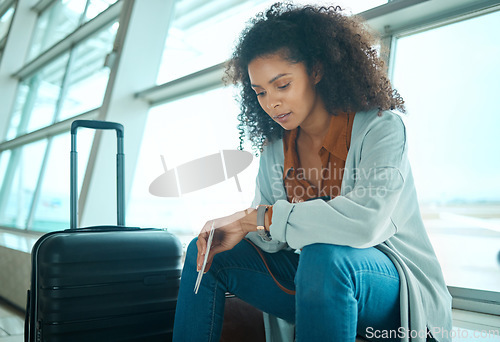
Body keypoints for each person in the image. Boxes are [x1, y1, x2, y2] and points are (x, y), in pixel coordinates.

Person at [172, 3, 452, 341]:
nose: (271, 102)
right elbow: (272, 237)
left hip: (392, 286)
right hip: (315, 278)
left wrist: (253, 219)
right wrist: (244, 232)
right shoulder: (275, 147)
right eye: (260, 92)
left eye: (282, 85)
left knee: (324, 255)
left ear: (316, 71)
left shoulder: (381, 128)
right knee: (207, 252)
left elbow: (366, 223)